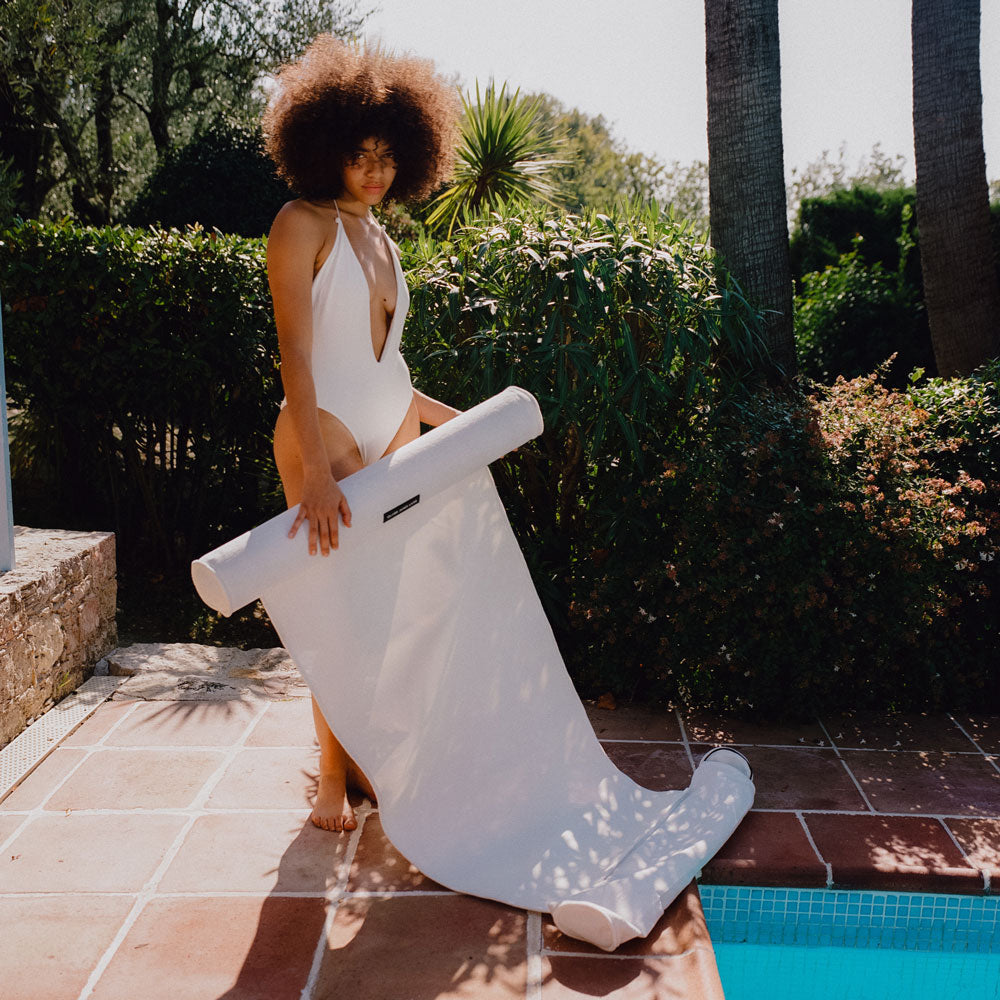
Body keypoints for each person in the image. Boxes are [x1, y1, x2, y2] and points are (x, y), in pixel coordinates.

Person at [262, 37, 461, 832]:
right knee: (336, 613)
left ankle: (363, 761)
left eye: (387, 155)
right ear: (324, 148)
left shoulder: (382, 237)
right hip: (326, 434)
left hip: (389, 428)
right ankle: (330, 784)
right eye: (358, 153)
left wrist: (463, 420)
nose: (374, 169)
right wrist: (314, 468)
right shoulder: (299, 223)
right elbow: (297, 357)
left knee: (384, 612)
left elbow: (388, 365)